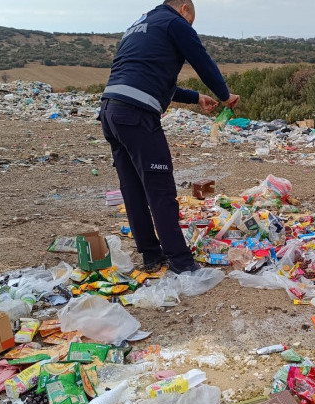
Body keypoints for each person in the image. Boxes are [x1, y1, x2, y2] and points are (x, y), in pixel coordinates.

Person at [100, 0, 239, 274]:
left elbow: (148, 77)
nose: (189, 27)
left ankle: (152, 257)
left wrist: (195, 97)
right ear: (185, 8)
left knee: (133, 187)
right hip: (136, 115)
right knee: (160, 189)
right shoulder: (175, 22)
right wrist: (225, 95)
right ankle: (181, 263)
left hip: (110, 111)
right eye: (191, 21)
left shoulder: (139, 25)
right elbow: (202, 60)